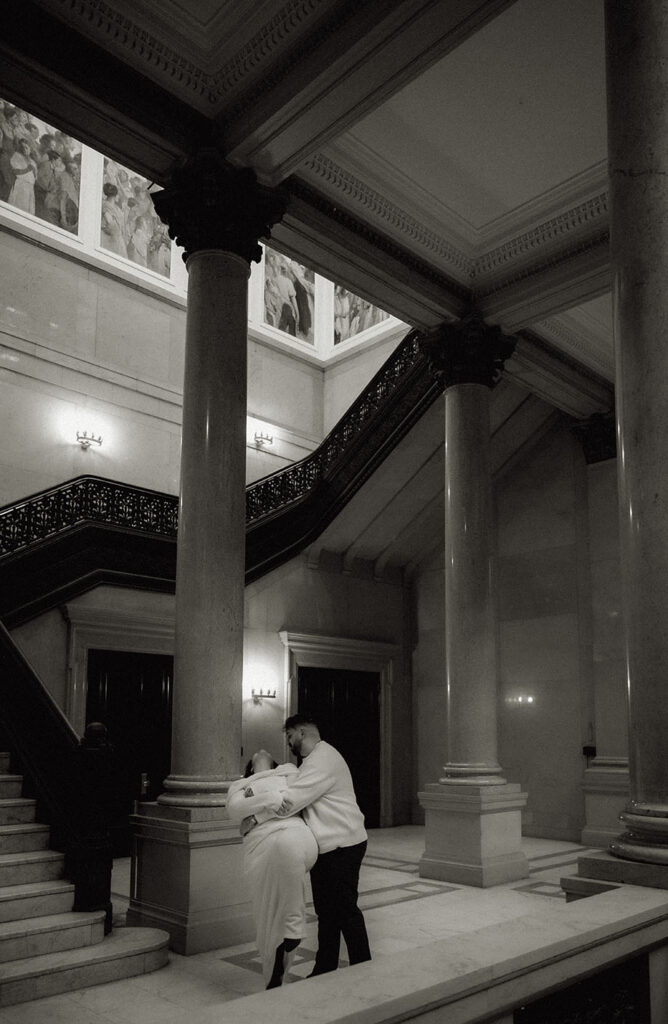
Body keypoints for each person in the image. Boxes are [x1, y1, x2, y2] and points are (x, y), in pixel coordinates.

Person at [249, 713, 371, 976]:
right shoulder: (313, 761)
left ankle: (363, 967)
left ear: (302, 732)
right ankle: (325, 968)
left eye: (289, 735)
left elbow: (290, 802)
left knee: (345, 910)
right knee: (326, 912)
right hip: (328, 847)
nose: (288, 741)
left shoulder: (322, 760)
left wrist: (255, 817)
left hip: (343, 845)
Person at [227, 749, 318, 988]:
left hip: (294, 833)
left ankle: (294, 927)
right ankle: (274, 967)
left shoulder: (288, 771)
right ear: (250, 766)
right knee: (266, 911)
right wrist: (273, 800)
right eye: (256, 753)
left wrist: (255, 818)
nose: (261, 750)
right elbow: (235, 810)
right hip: (260, 846)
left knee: (287, 847)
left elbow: (296, 803)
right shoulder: (240, 785)